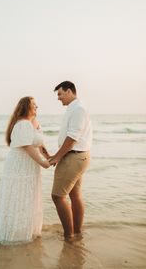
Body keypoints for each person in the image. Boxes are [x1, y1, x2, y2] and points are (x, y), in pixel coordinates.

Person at [0, 96, 50, 244]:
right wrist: (43, 163)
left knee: (28, 197)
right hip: (20, 166)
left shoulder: (31, 123)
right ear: (26, 107)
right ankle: (15, 235)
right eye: (34, 105)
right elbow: (27, 147)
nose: (37, 107)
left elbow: (39, 143)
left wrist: (48, 156)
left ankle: (26, 230)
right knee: (20, 197)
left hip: (29, 166)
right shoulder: (23, 124)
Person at [49, 81, 92, 240]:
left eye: (60, 94)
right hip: (76, 156)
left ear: (69, 91)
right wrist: (57, 154)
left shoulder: (78, 109)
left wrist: (57, 157)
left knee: (57, 196)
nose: (58, 98)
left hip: (74, 156)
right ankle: (76, 232)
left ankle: (69, 236)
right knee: (75, 195)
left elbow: (73, 137)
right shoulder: (73, 108)